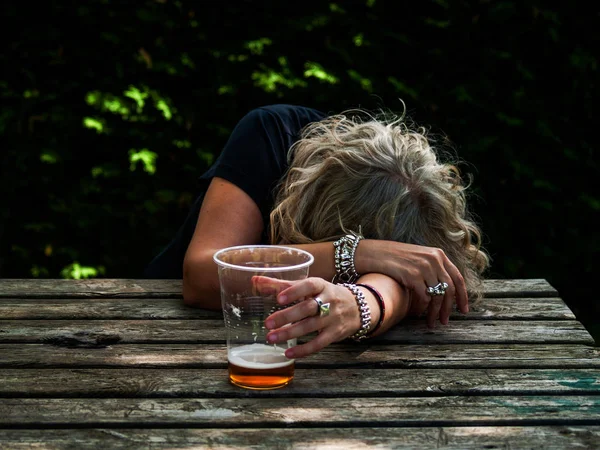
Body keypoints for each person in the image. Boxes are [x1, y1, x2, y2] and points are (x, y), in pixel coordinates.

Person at [144, 103, 490, 359]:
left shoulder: (411, 208)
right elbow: (203, 275)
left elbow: (411, 285)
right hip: (154, 332)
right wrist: (356, 252)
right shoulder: (271, 136)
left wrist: (363, 302)